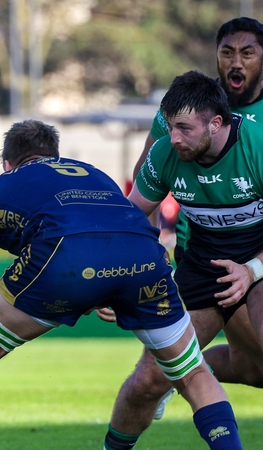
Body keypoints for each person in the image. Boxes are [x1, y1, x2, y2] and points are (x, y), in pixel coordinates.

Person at [0, 119, 243, 450]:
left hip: (67, 258)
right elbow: (133, 225)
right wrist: (111, 282)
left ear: (7, 164)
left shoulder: (1, 186)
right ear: (57, 156)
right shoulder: (92, 171)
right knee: (191, 370)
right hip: (145, 254)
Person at [121, 16, 263, 427]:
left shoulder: (255, 139)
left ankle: (173, 377)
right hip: (201, 253)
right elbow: (149, 180)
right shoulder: (181, 113)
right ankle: (167, 378)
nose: (236, 61)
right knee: (247, 367)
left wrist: (252, 268)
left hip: (254, 250)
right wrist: (131, 269)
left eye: (247, 52)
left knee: (254, 368)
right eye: (227, 52)